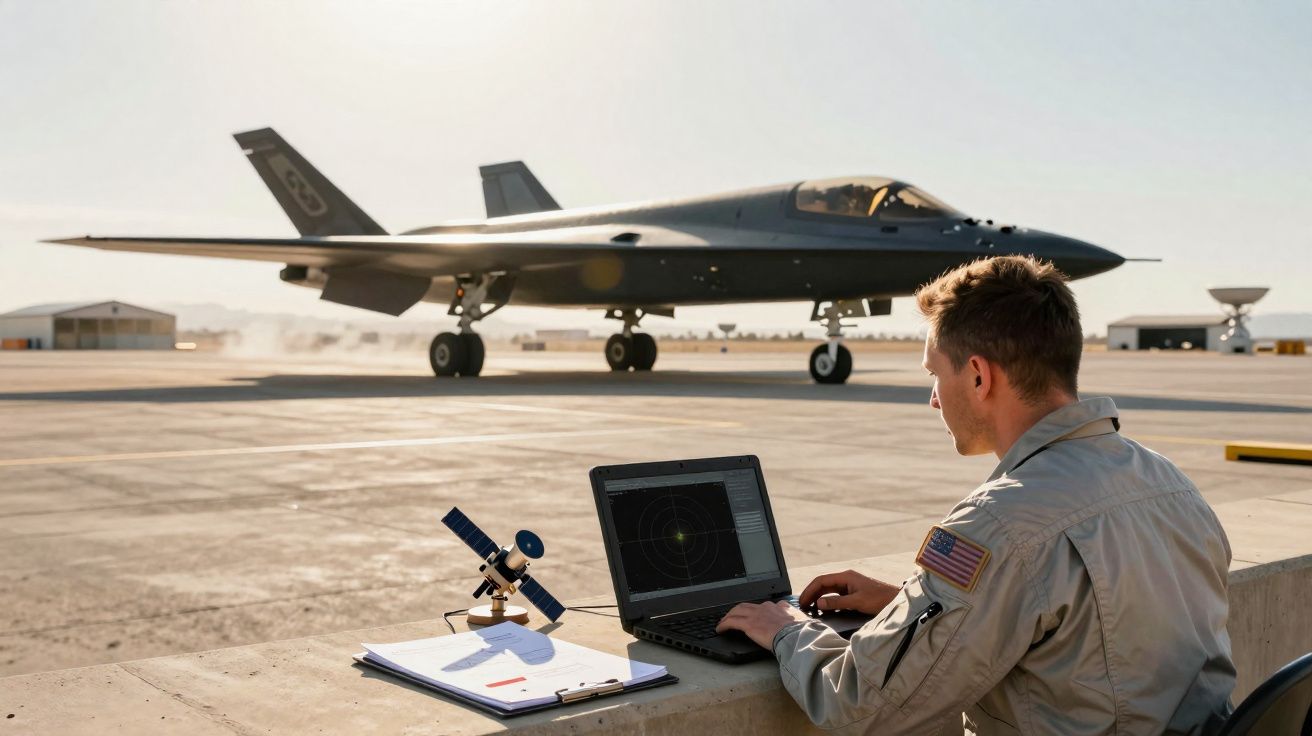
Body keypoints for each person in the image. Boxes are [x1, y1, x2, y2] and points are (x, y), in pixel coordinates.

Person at [717, 255, 1235, 734]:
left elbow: (859, 704)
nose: (933, 399)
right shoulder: (1170, 483)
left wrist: (785, 628)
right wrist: (908, 605)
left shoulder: (1001, 522)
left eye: (935, 375)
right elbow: (1083, 626)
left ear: (980, 375)